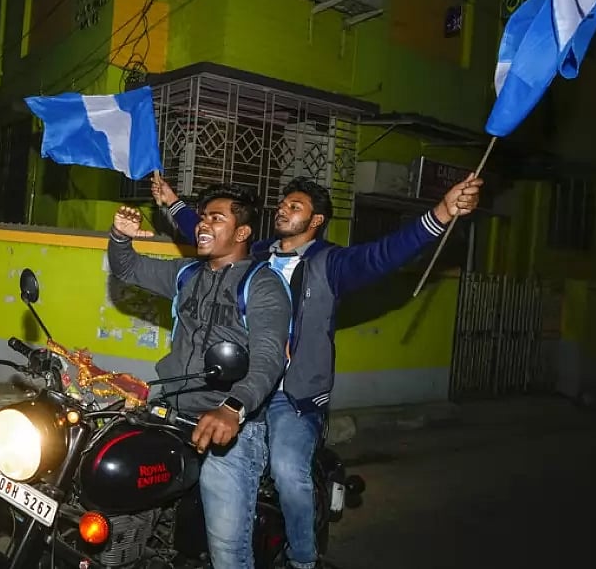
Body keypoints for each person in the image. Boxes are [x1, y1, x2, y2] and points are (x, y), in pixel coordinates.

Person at [152, 173, 483, 569]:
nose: (283, 209)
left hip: (290, 394)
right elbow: (208, 227)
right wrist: (172, 202)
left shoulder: (331, 264)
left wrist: (442, 212)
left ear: (316, 220)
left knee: (288, 471)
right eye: (283, 203)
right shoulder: (256, 253)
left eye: (296, 206)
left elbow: (383, 254)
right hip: (239, 385)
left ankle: (303, 558)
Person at [108, 183, 291, 569]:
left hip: (228, 425)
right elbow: (128, 268)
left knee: (227, 551)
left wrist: (233, 406)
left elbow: (269, 357)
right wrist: (120, 238)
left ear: (241, 232)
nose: (203, 224)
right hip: (169, 412)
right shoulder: (186, 273)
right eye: (203, 216)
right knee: (115, 484)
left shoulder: (262, 285)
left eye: (216, 218)